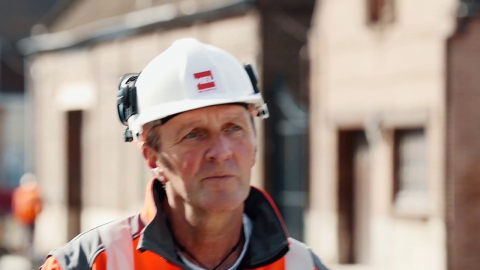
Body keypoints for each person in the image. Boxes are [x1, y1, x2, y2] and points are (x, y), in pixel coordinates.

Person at [41, 38, 328, 270]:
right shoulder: (89, 263)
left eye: (234, 128)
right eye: (193, 134)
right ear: (152, 157)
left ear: (254, 146)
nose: (221, 152)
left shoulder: (301, 265)